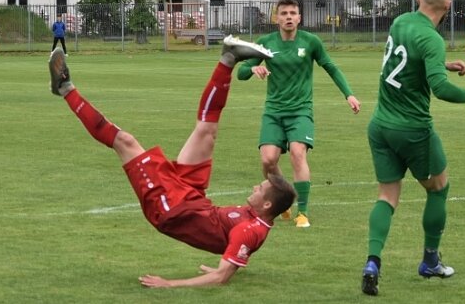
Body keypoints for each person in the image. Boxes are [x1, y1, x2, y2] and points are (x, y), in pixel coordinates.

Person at [48, 36, 296, 288]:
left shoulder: (251, 229)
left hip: (170, 209)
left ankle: (65, 89)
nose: (255, 187)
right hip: (193, 199)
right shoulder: (257, 221)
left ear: (267, 203)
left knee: (125, 141)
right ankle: (228, 58)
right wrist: (232, 258)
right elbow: (241, 249)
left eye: (261, 189)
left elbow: (221, 277)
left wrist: (170, 284)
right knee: (206, 131)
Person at [360, 0, 465, 297]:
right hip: (412, 129)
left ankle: (372, 263)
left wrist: (442, 64)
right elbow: (441, 89)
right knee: (438, 188)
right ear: (448, 5)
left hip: (380, 125)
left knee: (387, 196)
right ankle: (430, 261)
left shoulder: (400, 22)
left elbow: (407, 61)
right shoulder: (431, 39)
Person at [237, 0, 361, 229]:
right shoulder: (265, 42)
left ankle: (302, 212)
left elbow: (331, 67)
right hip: (273, 111)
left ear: (299, 17)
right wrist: (253, 67)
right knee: (268, 160)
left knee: (297, 153)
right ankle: (283, 203)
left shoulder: (311, 42)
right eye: (283, 13)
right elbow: (240, 72)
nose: (288, 17)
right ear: (277, 18)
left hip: (300, 111)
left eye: (293, 13)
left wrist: (349, 94)